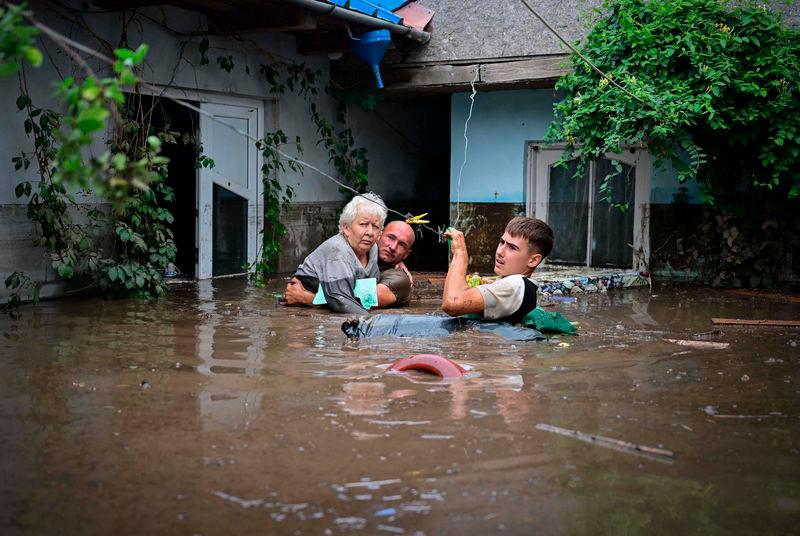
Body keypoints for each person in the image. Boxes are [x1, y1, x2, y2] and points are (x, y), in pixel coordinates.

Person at [287, 192, 387, 315]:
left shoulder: (373, 249)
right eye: (363, 224)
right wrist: (375, 324)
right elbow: (340, 301)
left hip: (320, 304)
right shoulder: (337, 249)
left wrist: (310, 299)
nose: (370, 232)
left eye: (375, 226)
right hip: (299, 311)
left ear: (380, 233)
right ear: (346, 228)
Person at [442, 217, 554, 324]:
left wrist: (460, 252)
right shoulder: (526, 287)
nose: (500, 251)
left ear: (533, 260)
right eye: (502, 242)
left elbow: (452, 303)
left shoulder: (515, 284)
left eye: (512, 247)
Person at [284, 219, 416, 309]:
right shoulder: (360, 255)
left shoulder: (400, 279)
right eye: (391, 238)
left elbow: (363, 302)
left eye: (401, 245)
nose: (393, 247)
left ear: (406, 254)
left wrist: (306, 298)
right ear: (379, 235)